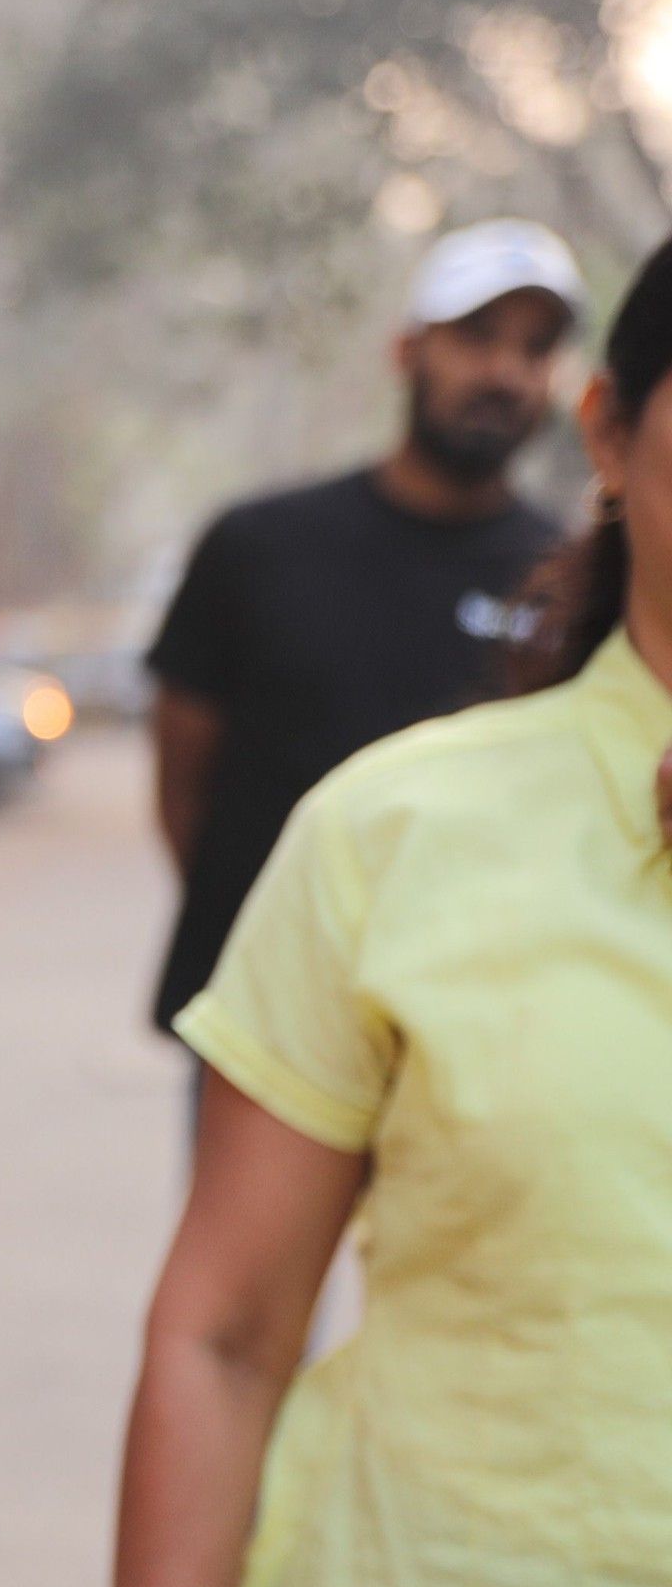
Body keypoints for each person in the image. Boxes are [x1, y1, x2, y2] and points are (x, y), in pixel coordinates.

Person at [86, 237, 672, 1587]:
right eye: (472, 334)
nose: (492, 367)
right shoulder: (388, 824)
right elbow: (223, 1334)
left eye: (523, 337)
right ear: (614, 438)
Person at [147, 220, 581, 1043]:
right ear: (406, 350)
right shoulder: (255, 546)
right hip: (262, 1021)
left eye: (536, 348)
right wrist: (266, 937)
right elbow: (182, 786)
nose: (505, 372)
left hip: (472, 1034)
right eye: (477, 336)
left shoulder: (574, 582)